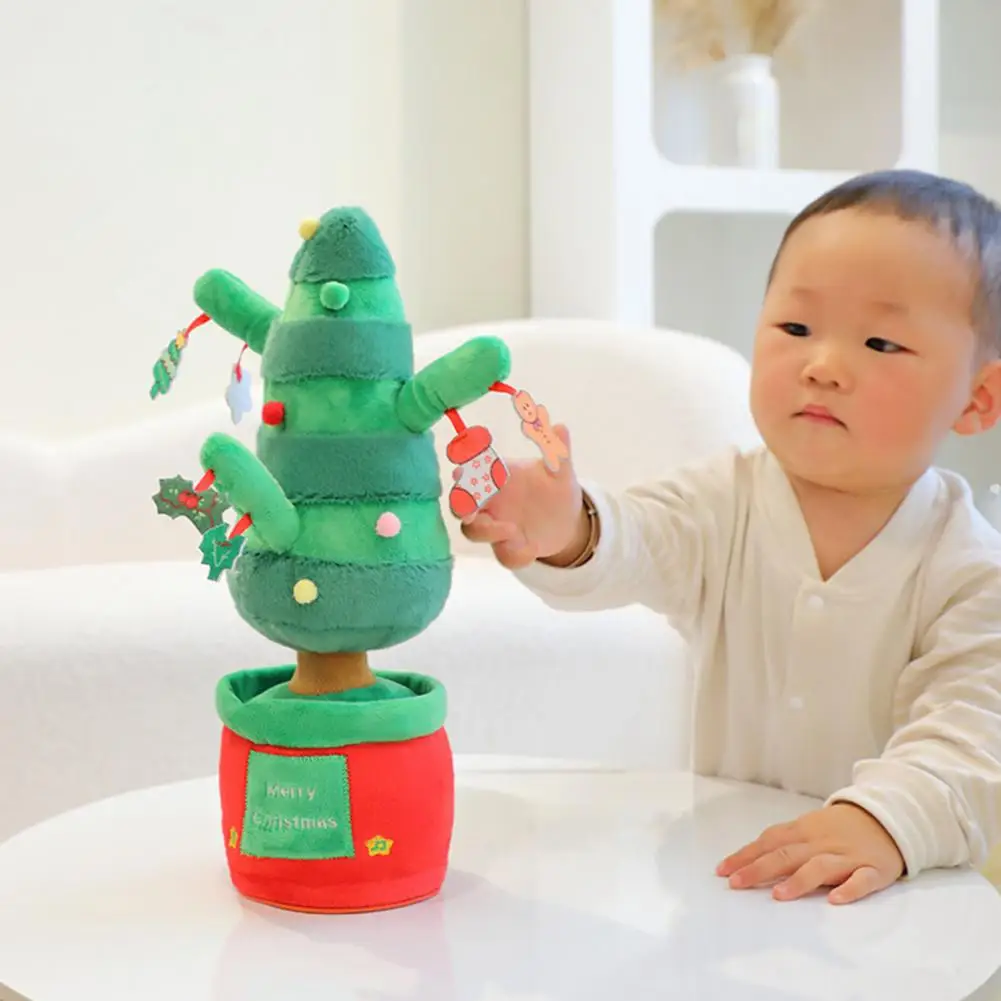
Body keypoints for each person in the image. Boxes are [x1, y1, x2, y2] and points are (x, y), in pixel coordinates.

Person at [462, 169, 1001, 905]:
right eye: (794, 328)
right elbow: (637, 537)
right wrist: (567, 525)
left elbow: (973, 737)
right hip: (736, 879)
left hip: (896, 895)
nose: (821, 365)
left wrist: (882, 820)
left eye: (880, 342)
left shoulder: (972, 571)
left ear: (976, 399)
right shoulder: (724, 501)